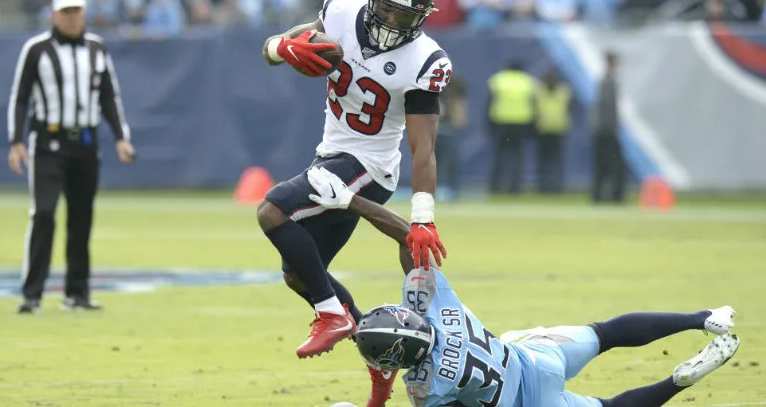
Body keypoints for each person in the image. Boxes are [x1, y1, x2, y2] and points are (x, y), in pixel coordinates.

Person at [304, 166, 740, 407]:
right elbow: (408, 239)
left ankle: (678, 383)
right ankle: (702, 318)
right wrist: (350, 201)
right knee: (605, 333)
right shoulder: (436, 305)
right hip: (533, 358)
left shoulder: (427, 386)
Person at [257, 0, 450, 367]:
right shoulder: (342, 9)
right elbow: (272, 50)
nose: (394, 20)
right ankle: (378, 357)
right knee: (298, 272)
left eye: (405, 14)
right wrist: (282, 46)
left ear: (421, 17)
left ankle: (331, 315)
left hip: (371, 167)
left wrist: (423, 216)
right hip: (331, 154)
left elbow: (423, 148)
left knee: (272, 210)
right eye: (387, 9)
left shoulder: (424, 60)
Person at [7, 0, 136, 314]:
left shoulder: (97, 47)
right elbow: (19, 97)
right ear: (54, 14)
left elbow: (110, 95)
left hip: (86, 144)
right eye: (65, 12)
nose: (71, 17)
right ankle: (32, 294)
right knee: (44, 213)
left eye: (76, 10)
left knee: (82, 218)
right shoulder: (36, 49)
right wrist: (16, 141)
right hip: (48, 142)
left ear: (84, 12)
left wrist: (121, 136)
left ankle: (76, 293)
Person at [486, 60, 537, 194]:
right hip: (521, 123)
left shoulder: (498, 80)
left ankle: (495, 186)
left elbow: (490, 102)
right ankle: (515, 187)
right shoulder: (528, 82)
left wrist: (489, 123)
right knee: (517, 156)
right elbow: (533, 105)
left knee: (499, 156)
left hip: (501, 122)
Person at [591, 51, 626, 204]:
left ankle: (599, 196)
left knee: (602, 165)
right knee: (613, 164)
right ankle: (614, 196)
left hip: (602, 129)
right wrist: (611, 128)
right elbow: (607, 108)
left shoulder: (604, 81)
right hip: (607, 130)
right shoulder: (608, 82)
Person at [535, 67, 572, 194]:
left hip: (544, 128)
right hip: (557, 129)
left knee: (545, 161)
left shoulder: (539, 92)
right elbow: (569, 109)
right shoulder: (563, 91)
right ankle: (556, 186)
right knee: (555, 161)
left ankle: (544, 186)